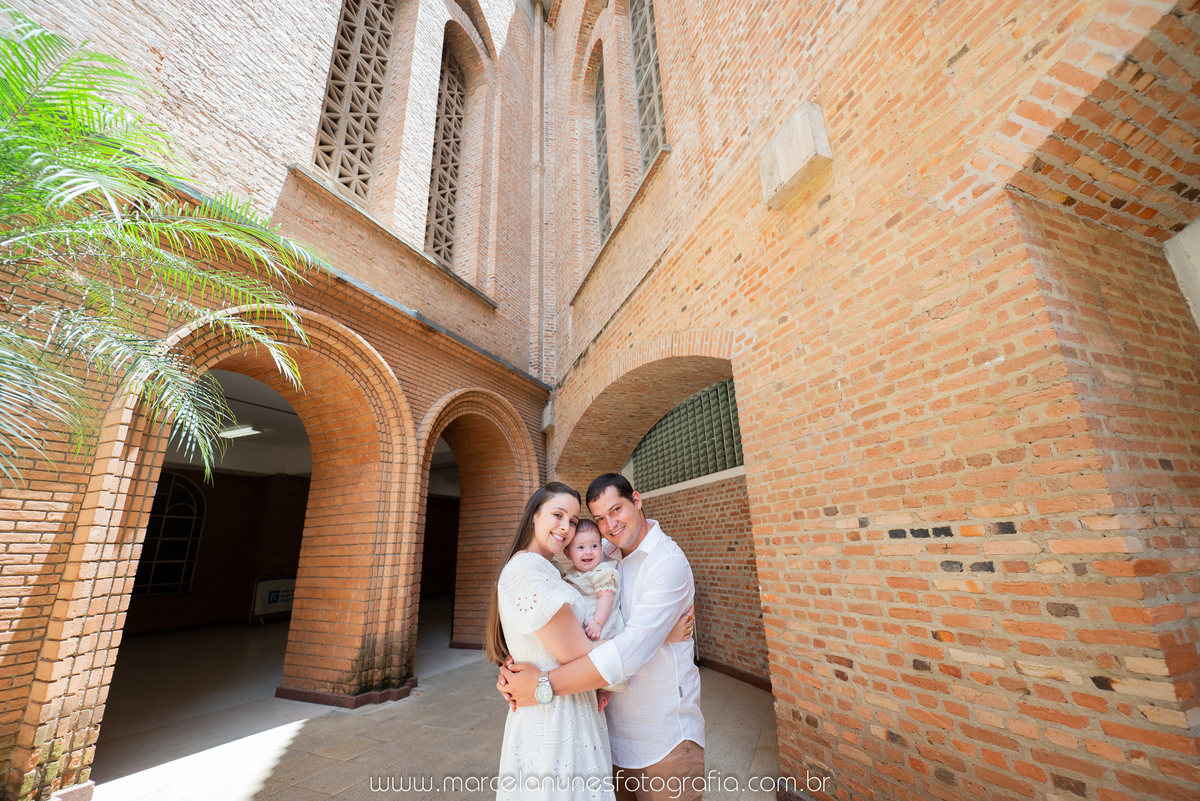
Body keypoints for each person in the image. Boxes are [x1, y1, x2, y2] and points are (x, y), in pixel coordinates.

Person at [500, 474, 705, 801]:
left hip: (662, 739)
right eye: (599, 518)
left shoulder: (666, 562)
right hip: (607, 739)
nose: (610, 524)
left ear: (636, 501)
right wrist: (520, 662)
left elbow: (631, 653)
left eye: (617, 510)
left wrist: (540, 684)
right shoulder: (603, 552)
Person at [487, 482, 614, 801]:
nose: (566, 528)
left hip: (556, 705)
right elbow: (583, 657)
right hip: (557, 716)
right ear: (534, 516)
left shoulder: (545, 569)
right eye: (557, 515)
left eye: (573, 521)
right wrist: (651, 637)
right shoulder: (530, 570)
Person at [563, 519, 624, 641]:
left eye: (594, 546)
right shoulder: (571, 575)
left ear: (601, 547)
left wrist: (597, 622)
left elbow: (607, 597)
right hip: (584, 630)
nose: (588, 552)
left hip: (602, 628)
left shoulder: (601, 573)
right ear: (567, 553)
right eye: (581, 547)